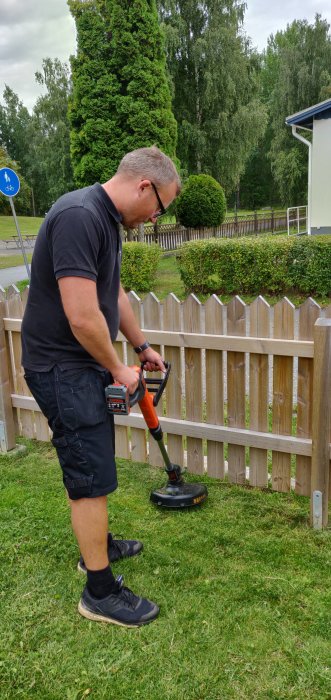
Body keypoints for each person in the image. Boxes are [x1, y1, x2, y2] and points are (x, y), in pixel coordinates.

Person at [21, 146, 181, 628]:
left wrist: (140, 347)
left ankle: (99, 545)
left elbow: (111, 294)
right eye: (160, 207)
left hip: (81, 365)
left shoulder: (104, 222)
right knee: (88, 476)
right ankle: (99, 590)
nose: (156, 218)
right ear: (144, 185)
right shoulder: (77, 216)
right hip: (60, 368)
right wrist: (118, 368)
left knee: (95, 460)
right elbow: (82, 314)